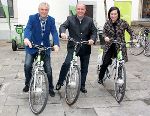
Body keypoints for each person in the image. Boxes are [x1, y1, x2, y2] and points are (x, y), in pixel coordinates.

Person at [55, 3, 97, 93]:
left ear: (85, 10)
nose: (80, 11)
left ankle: (82, 86)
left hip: (85, 47)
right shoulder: (70, 19)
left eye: (82, 9)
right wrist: (62, 33)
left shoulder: (89, 20)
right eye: (78, 9)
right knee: (66, 63)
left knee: (84, 68)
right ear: (76, 10)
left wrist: (92, 39)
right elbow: (63, 26)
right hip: (73, 46)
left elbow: (94, 31)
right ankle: (60, 81)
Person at [23, 2, 59, 97]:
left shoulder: (51, 20)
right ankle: (28, 83)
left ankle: (50, 87)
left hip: (45, 48)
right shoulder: (32, 18)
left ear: (48, 11)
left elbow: (54, 32)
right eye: (42, 9)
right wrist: (26, 38)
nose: (44, 11)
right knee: (27, 65)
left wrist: (56, 44)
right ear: (39, 10)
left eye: (46, 10)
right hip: (32, 46)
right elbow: (27, 29)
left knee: (48, 69)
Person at [98, 6, 135, 84]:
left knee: (120, 62)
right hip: (109, 46)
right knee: (105, 62)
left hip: (120, 45)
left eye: (115, 14)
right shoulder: (107, 23)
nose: (113, 16)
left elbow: (131, 31)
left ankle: (120, 77)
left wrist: (133, 38)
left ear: (118, 14)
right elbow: (103, 33)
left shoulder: (123, 22)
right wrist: (105, 37)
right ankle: (100, 77)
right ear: (109, 14)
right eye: (111, 14)